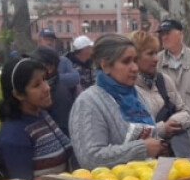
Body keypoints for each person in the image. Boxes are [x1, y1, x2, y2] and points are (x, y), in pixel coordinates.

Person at [70, 34, 164, 169]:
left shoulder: (137, 96)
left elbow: (151, 138)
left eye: (135, 60)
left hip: (145, 178)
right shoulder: (88, 103)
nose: (135, 68)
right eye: (126, 61)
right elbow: (90, 158)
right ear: (105, 66)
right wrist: (141, 148)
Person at [0, 56, 74, 180]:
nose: (47, 88)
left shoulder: (42, 115)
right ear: (18, 94)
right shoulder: (15, 135)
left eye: (44, 79)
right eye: (37, 85)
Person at [130, 30, 190, 155]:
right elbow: (128, 131)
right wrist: (161, 129)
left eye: (156, 53)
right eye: (150, 54)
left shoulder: (164, 80)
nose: (156, 59)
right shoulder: (127, 87)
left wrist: (174, 122)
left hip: (172, 154)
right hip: (144, 159)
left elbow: (185, 111)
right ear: (135, 57)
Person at [28, 46, 76, 136]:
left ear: (49, 68)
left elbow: (63, 131)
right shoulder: (50, 88)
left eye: (35, 63)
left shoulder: (59, 96)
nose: (30, 66)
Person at [38, 28, 81, 94]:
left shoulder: (63, 61)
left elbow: (75, 78)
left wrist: (52, 78)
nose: (49, 42)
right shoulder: (33, 61)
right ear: (39, 42)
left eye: (52, 40)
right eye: (46, 40)